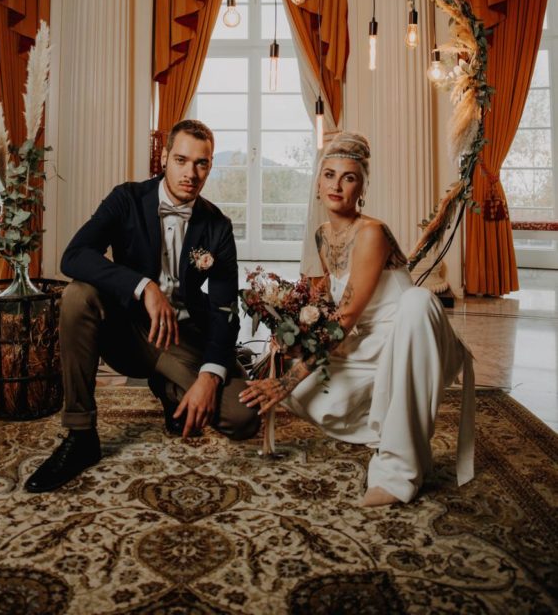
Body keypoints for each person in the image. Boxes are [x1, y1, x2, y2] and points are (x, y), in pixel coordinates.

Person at [239, 131, 474, 507]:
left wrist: (284, 383)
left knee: (416, 301)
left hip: (412, 336)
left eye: (349, 178)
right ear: (318, 185)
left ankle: (398, 473)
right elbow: (325, 309)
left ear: (361, 189)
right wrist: (288, 334)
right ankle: (390, 428)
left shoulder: (372, 233)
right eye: (329, 175)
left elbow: (342, 320)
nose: (337, 185)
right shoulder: (322, 236)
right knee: (304, 391)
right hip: (366, 343)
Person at [26, 118, 259, 493]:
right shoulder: (127, 199)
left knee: (242, 417)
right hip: (129, 332)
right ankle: (81, 435)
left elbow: (224, 310)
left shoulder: (217, 225)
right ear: (164, 158)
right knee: (78, 294)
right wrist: (142, 286)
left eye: (201, 163)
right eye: (181, 160)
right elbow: (74, 256)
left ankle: (168, 387)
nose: (191, 173)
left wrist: (209, 376)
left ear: (210, 166)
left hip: (183, 337)